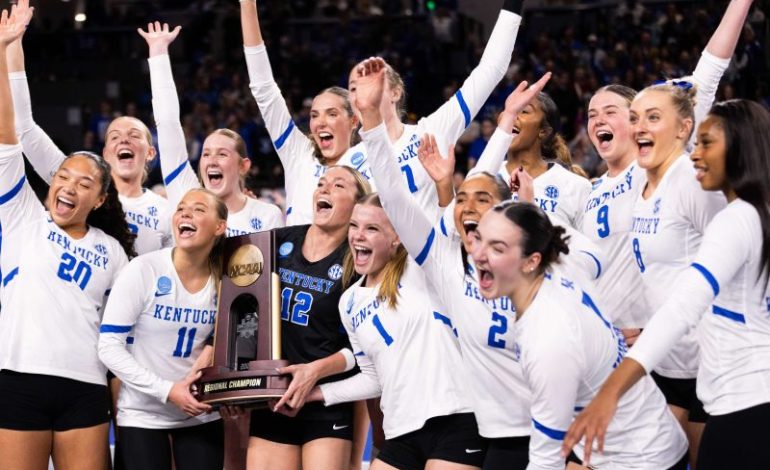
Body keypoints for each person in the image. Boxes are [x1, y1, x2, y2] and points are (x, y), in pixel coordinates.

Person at [354, 58, 599, 470]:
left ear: (503, 212)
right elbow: (393, 198)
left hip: (566, 421)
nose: (467, 206)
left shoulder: (536, 260)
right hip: (503, 433)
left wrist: (534, 216)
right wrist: (370, 121)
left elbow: (591, 273)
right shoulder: (444, 263)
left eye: (482, 201)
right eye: (461, 200)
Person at [563, 99, 770, 470]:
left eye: (707, 143)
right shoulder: (758, 212)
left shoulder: (735, 220)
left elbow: (682, 308)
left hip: (743, 402)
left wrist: (611, 391)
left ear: (740, 148)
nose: (695, 154)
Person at [0, 4, 133, 469]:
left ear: (99, 199)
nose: (69, 187)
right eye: (63, 177)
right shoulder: (22, 215)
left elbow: (121, 336)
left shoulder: (114, 252)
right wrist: (5, 51)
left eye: (84, 183)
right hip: (19, 377)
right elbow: (9, 136)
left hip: (86, 386)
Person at [580, 0, 754, 351]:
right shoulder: (588, 190)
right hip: (610, 346)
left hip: (669, 340)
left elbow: (707, 74)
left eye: (610, 112)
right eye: (591, 114)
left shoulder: (658, 167)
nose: (598, 120)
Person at [470, 202, 688, 469]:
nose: (477, 254)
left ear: (531, 261)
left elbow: (546, 460)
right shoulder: (561, 263)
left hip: (638, 460)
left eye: (497, 248)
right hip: (649, 437)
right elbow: (595, 254)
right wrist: (528, 208)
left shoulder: (549, 340)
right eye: (478, 238)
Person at [302, 193, 485, 470]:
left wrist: (444, 184)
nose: (358, 235)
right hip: (401, 430)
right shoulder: (349, 302)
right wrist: (317, 393)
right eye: (354, 225)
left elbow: (448, 225)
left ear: (397, 237)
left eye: (372, 228)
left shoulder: (421, 269)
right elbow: (374, 378)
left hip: (456, 418)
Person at [6, 0, 171, 256]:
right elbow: (24, 127)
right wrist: (14, 44)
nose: (124, 140)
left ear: (151, 152)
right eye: (114, 136)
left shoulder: (166, 211)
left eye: (134, 135)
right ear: (105, 154)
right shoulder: (79, 180)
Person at [343, 0, 525, 223]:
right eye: (354, 88)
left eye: (372, 83)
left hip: (434, 244)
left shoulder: (431, 131)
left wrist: (513, 4)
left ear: (395, 92)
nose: (362, 94)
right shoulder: (347, 162)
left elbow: (491, 67)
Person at [247, 165, 372, 470]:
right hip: (273, 397)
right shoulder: (277, 241)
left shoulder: (359, 261)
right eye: (321, 183)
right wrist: (236, 383)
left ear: (357, 206)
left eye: (338, 186)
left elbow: (364, 350)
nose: (325, 189)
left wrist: (315, 371)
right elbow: (242, 310)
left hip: (326, 400)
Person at [98, 188, 228, 470]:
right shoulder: (144, 269)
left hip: (200, 411)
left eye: (199, 209)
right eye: (181, 208)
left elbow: (240, 337)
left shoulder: (228, 278)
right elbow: (108, 347)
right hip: (142, 413)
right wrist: (168, 391)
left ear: (220, 227)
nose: (186, 213)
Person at [141, 22, 284, 236]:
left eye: (222, 154)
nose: (212, 160)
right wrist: (158, 52)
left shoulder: (267, 215)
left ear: (243, 166)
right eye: (206, 154)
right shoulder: (186, 193)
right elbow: (167, 124)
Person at [240, 0, 362, 226]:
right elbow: (264, 89)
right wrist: (247, 4)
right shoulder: (299, 153)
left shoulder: (371, 160)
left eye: (332, 114)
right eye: (314, 115)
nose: (320, 122)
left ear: (353, 120)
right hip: (294, 249)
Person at [499, 91, 591, 229]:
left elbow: (587, 242)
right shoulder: (484, 175)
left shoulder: (576, 187)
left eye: (524, 111)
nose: (511, 115)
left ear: (544, 131)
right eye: (508, 109)